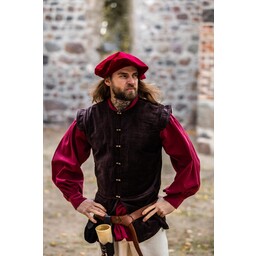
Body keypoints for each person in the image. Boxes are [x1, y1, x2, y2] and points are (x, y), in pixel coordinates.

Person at [51, 51, 200, 256]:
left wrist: (172, 200)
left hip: (146, 221)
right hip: (107, 222)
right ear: (108, 81)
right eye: (123, 75)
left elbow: (188, 160)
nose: (131, 81)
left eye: (135, 76)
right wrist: (78, 200)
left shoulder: (157, 117)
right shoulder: (89, 118)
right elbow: (63, 162)